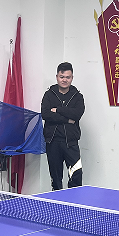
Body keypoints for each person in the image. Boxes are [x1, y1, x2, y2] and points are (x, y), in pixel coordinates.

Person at [41, 62, 85, 190]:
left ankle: (74, 200)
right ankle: (56, 201)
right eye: (62, 77)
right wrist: (67, 119)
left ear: (72, 78)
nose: (64, 80)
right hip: (53, 141)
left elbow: (77, 114)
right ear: (57, 77)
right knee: (56, 178)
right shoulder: (49, 95)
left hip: (71, 142)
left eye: (67, 77)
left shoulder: (78, 96)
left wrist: (58, 110)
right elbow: (45, 114)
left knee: (76, 175)